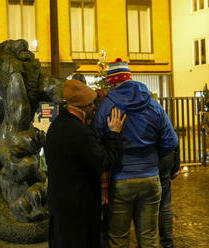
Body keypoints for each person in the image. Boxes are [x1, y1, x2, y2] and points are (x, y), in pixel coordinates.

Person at [92, 58, 178, 248]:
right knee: (149, 237)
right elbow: (171, 140)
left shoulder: (107, 106)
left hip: (121, 179)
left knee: (118, 238)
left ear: (112, 82)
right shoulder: (153, 104)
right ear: (129, 77)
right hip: (150, 178)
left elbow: (96, 139)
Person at [44, 79, 126, 248]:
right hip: (78, 207)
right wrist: (114, 134)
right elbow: (104, 160)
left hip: (59, 203)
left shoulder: (56, 125)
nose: (94, 109)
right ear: (84, 107)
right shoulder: (79, 132)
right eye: (91, 105)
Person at [158, 146, 180, 248]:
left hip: (133, 166)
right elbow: (173, 141)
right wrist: (175, 165)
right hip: (163, 159)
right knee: (164, 206)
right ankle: (167, 244)